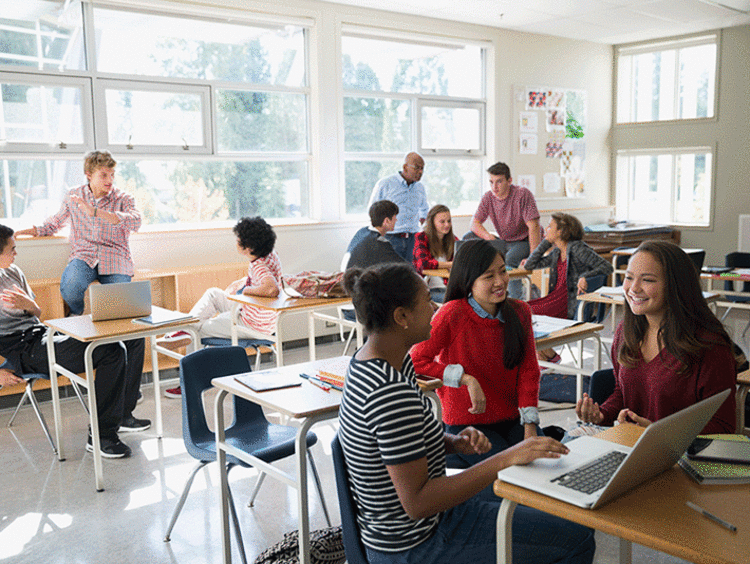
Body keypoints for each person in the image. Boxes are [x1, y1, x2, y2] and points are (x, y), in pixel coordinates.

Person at [338, 262, 595, 564]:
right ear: (401, 317)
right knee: (577, 536)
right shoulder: (388, 392)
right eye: (426, 301)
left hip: (424, 524)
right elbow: (418, 502)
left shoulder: (379, 360)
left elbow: (395, 446)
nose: (435, 308)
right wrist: (507, 456)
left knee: (546, 507)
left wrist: (451, 441)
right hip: (418, 543)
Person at [0, 224, 147, 458]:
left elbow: (37, 313)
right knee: (111, 350)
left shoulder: (13, 272)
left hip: (43, 333)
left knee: (132, 338)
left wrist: (28, 305)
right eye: (11, 249)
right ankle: (102, 436)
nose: (16, 254)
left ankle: (123, 416)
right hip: (23, 350)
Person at [576, 240, 737, 435]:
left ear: (676, 286)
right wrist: (602, 414)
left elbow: (723, 428)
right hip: (632, 444)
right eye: (628, 277)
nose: (633, 288)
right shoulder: (626, 331)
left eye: (648, 280)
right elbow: (622, 393)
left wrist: (658, 432)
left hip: (680, 457)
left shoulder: (709, 345)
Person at [411, 240, 542, 468]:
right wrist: (464, 379)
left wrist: (530, 426)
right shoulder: (452, 314)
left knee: (541, 466)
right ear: (469, 281)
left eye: (503, 271)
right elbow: (415, 361)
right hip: (467, 426)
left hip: (514, 420)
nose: (500, 281)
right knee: (514, 471)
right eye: (488, 276)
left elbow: (529, 370)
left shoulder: (520, 312)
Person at [162, 217, 281, 398]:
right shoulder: (270, 256)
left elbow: (271, 288)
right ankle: (184, 330)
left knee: (196, 330)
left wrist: (245, 290)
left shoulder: (259, 265)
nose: (236, 241)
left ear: (247, 247)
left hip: (249, 323)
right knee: (213, 294)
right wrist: (242, 283)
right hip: (259, 317)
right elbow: (266, 278)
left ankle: (188, 386)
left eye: (238, 239)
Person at [15, 151, 141, 316]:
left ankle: (113, 334)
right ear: (88, 174)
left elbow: (136, 222)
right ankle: (76, 315)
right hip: (84, 256)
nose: (110, 180)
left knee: (119, 302)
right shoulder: (74, 196)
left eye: (112, 175)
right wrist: (34, 230)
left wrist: (96, 212)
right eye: (103, 175)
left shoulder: (123, 198)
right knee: (70, 286)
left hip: (115, 257)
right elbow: (56, 222)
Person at [523, 213, 613, 362]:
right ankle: (548, 355)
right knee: (516, 311)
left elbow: (606, 267)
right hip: (554, 301)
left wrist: (585, 276)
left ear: (561, 231)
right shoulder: (557, 252)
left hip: (566, 306)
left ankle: (548, 356)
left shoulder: (577, 248)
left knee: (519, 313)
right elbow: (530, 265)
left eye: (550, 226)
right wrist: (546, 242)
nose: (546, 228)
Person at [469, 162, 541, 299]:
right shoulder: (488, 197)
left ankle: (514, 301)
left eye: (499, 182)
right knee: (469, 238)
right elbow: (474, 223)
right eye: (491, 182)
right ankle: (478, 295)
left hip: (523, 240)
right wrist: (488, 237)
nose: (494, 187)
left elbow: (534, 226)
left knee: (509, 260)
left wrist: (534, 256)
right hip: (503, 241)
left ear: (509, 181)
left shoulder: (522, 194)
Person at [368, 152, 429, 261]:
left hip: (413, 239)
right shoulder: (386, 184)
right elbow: (373, 211)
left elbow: (424, 210)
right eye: (417, 168)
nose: (420, 172)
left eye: (422, 169)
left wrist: (420, 226)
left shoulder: (420, 188)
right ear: (405, 167)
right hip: (391, 238)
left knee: (411, 273)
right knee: (391, 273)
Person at [413, 204, 456, 303]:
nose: (447, 225)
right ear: (432, 222)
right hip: (430, 290)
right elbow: (423, 264)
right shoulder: (421, 237)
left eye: (449, 221)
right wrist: (449, 264)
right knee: (455, 302)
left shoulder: (452, 240)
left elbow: (461, 260)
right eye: (442, 222)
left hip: (450, 287)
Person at [346, 200, 406, 270]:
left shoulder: (362, 231)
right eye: (394, 217)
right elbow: (404, 267)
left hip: (350, 275)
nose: (396, 220)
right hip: (360, 279)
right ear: (386, 221)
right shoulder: (379, 241)